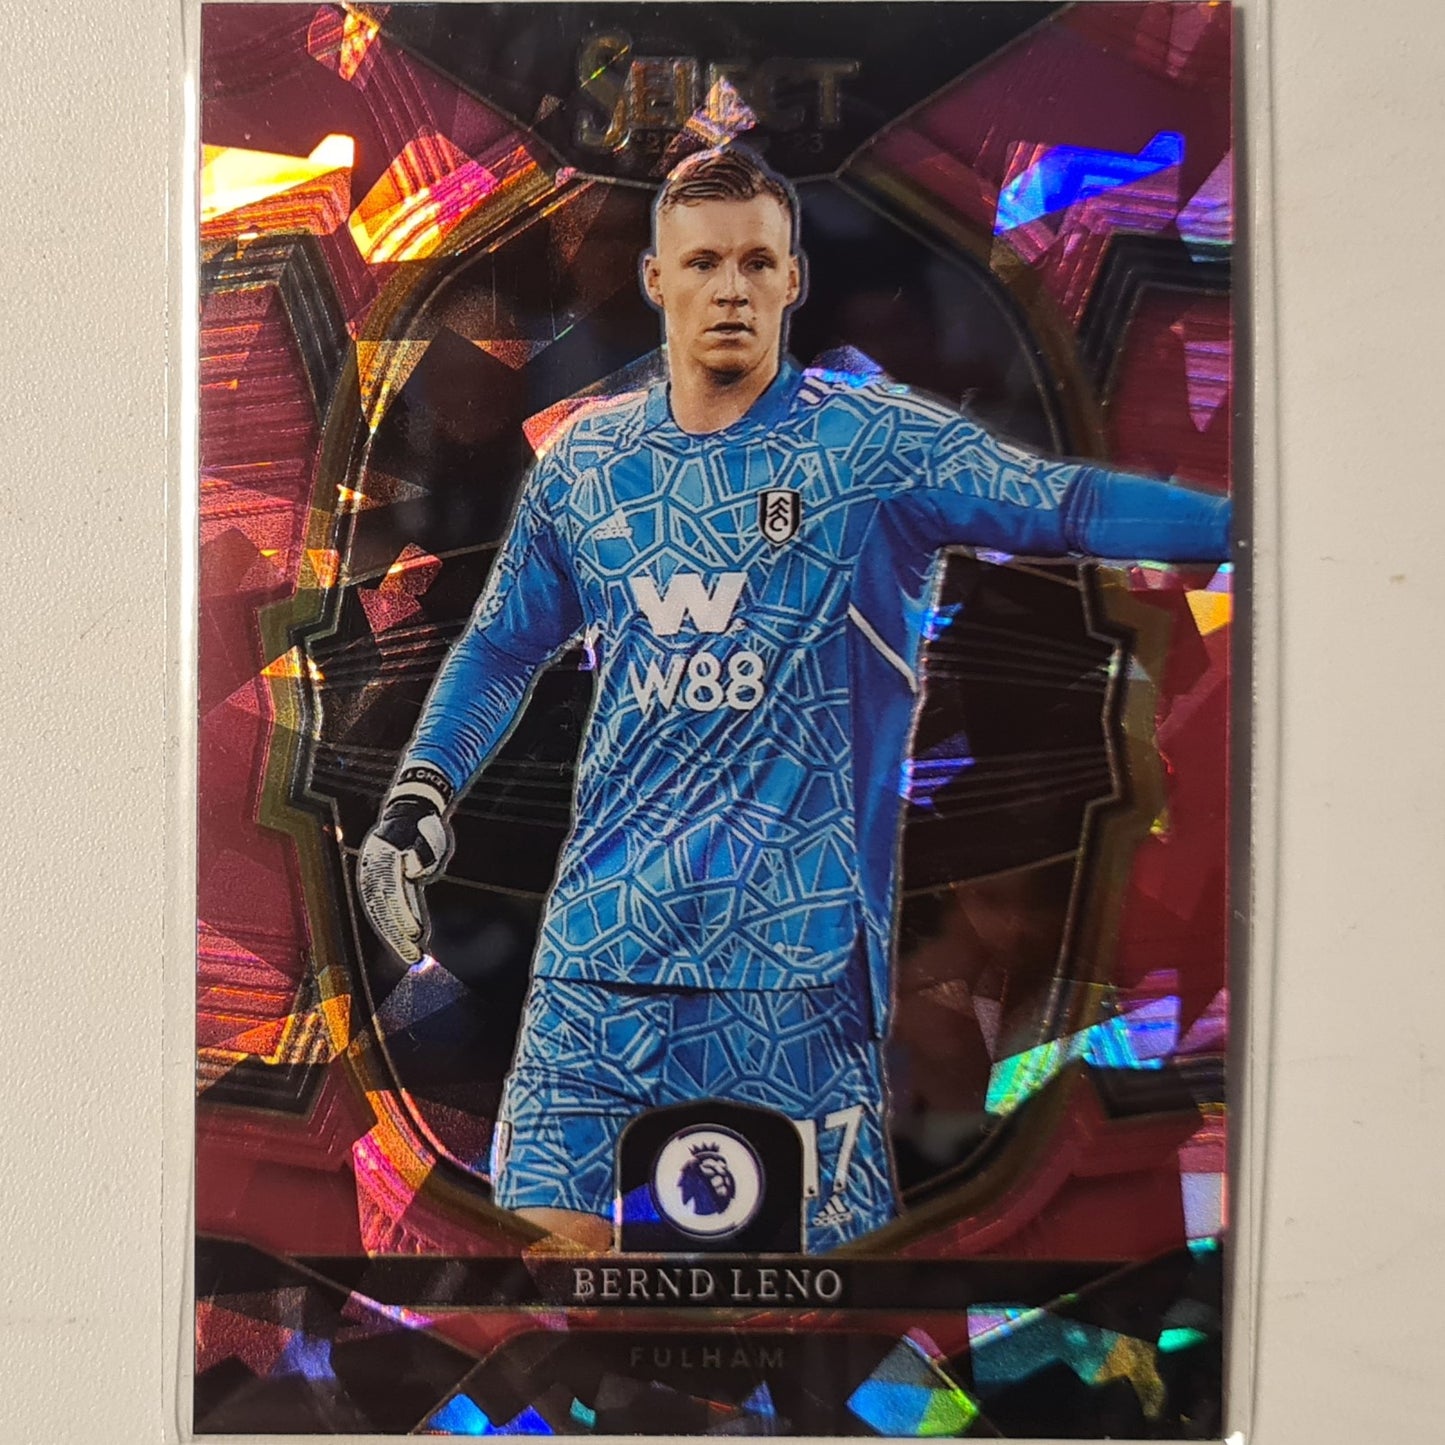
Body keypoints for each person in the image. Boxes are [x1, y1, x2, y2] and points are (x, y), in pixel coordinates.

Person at [357, 146, 1230, 1253]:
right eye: (703, 262)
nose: (729, 287)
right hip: (601, 951)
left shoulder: (872, 447)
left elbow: (1063, 504)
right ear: (656, 280)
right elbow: (498, 648)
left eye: (756, 262)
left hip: (789, 978)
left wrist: (1242, 529)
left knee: (809, 1304)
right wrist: (419, 795)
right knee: (551, 1278)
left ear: (791, 281)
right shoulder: (587, 467)